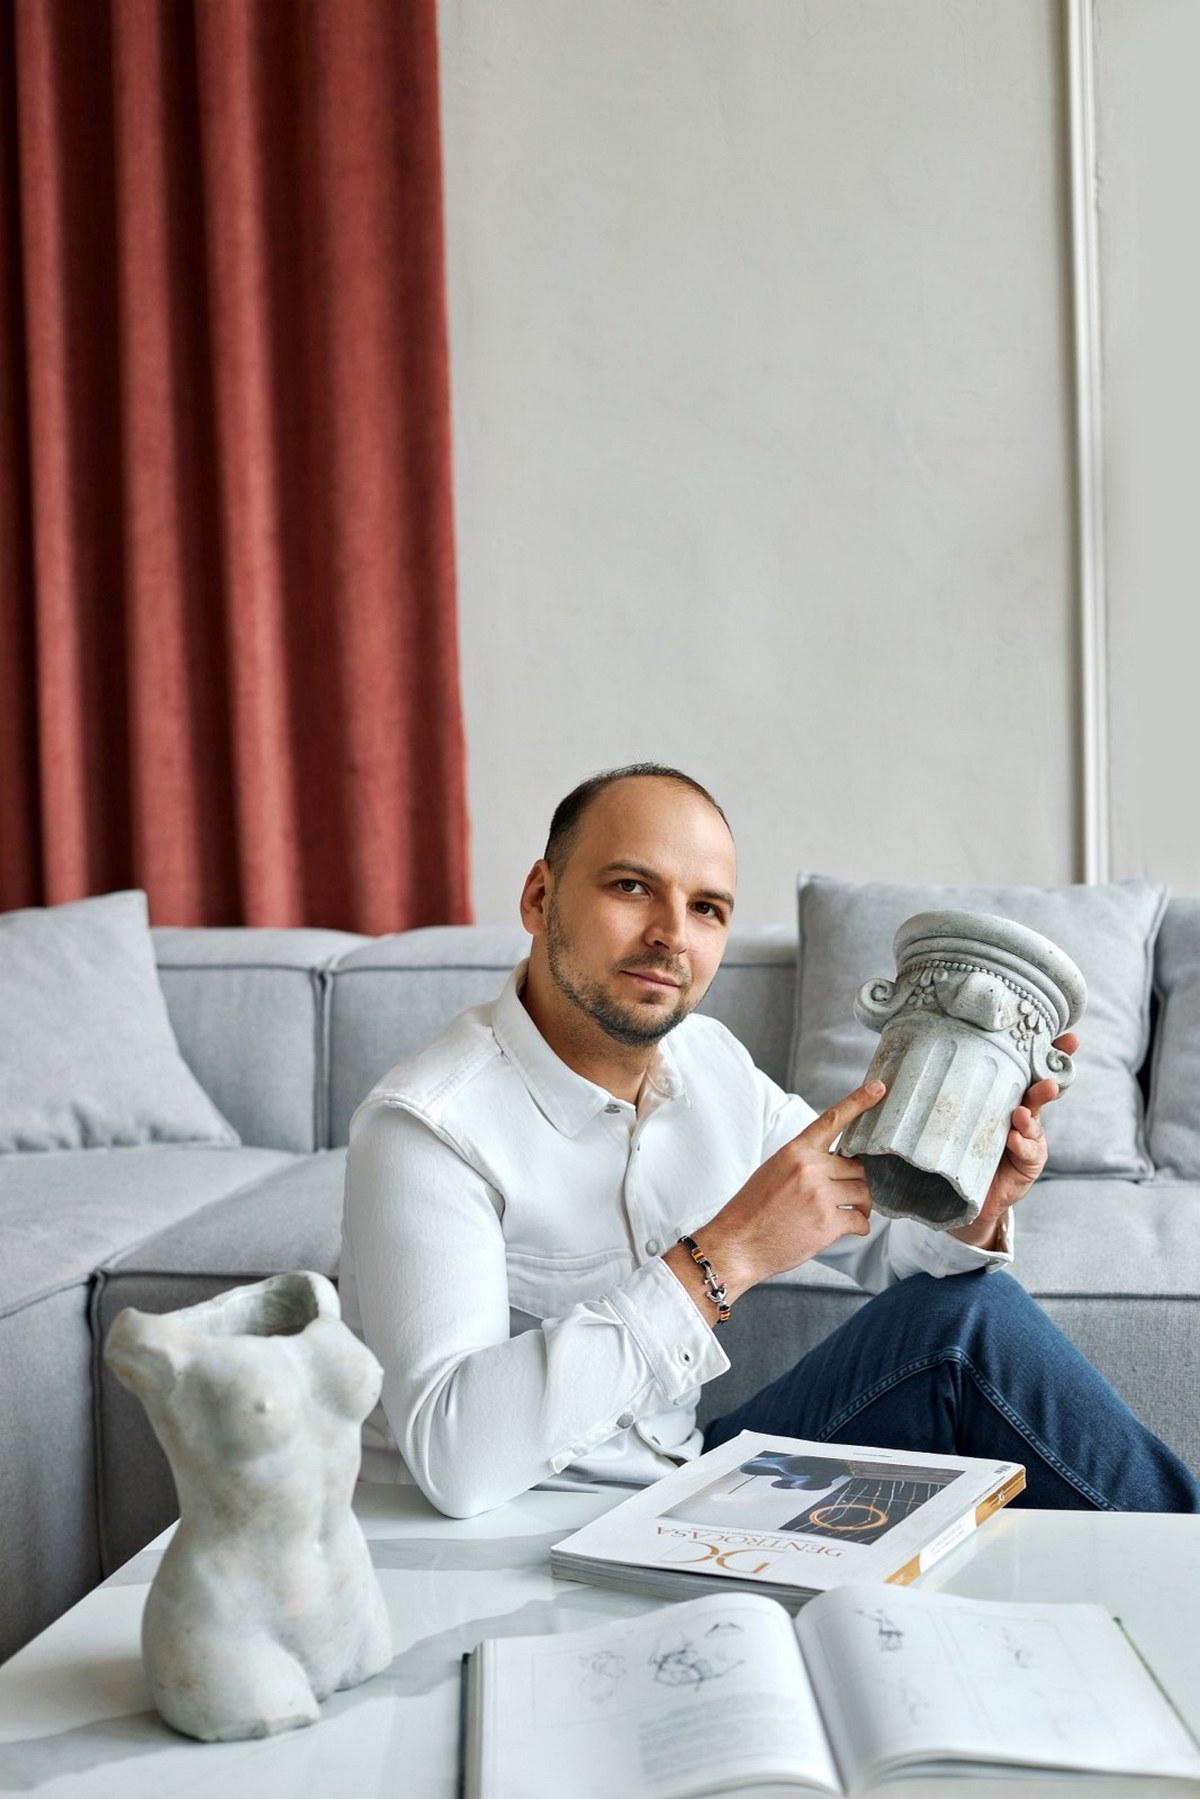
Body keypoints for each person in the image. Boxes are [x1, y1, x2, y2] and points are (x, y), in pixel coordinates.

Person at [339, 763, 1200, 1516]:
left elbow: (877, 1233)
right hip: (520, 1529)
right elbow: (456, 1459)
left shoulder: (710, 1064)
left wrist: (974, 1206)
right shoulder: (426, 1127)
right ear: (539, 897)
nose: (672, 934)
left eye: (706, 907)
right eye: (631, 886)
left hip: (680, 1484)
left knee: (967, 1322)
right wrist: (724, 1256)